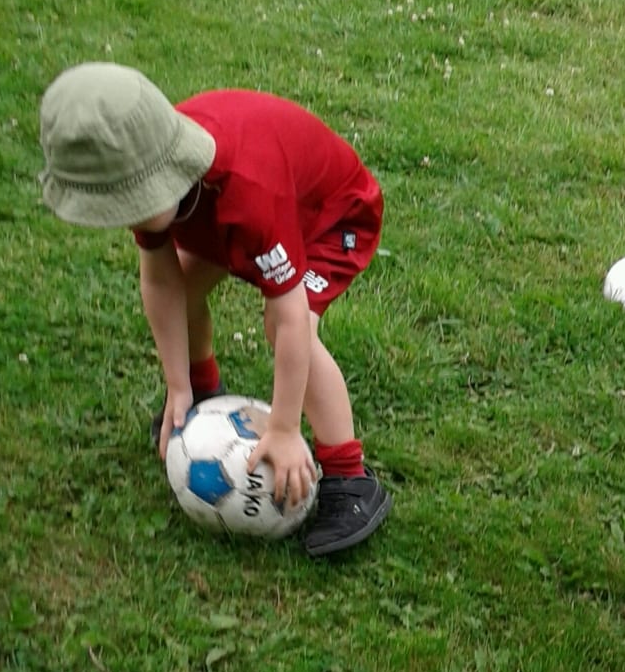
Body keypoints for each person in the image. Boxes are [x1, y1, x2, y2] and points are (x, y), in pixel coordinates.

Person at [39, 62, 392, 558]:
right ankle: (204, 390)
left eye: (130, 205)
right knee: (185, 286)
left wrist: (284, 428)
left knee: (284, 327)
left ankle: (349, 478)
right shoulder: (146, 163)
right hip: (218, 213)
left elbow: (291, 319)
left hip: (329, 218)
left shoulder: (251, 191)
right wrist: (179, 384)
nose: (126, 220)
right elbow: (161, 281)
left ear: (162, 175)